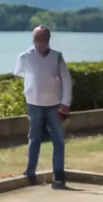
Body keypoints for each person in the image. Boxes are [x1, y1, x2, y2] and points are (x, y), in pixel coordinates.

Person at [13, 25, 73, 189]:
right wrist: (29, 90)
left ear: (48, 40)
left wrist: (65, 103)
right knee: (34, 138)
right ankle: (30, 171)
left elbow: (66, 80)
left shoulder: (57, 57)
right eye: (35, 40)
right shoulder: (25, 57)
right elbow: (19, 74)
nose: (39, 44)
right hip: (34, 104)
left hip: (54, 105)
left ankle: (58, 175)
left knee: (58, 140)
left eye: (42, 40)